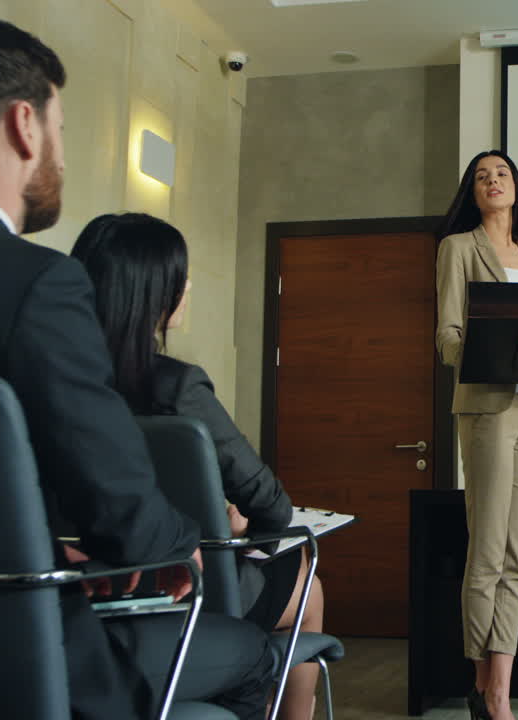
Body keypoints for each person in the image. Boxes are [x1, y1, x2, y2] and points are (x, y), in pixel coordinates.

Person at [0, 14, 276, 719]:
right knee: (252, 654)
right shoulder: (36, 282)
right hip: (21, 650)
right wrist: (181, 546)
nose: (62, 155)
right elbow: (123, 509)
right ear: (23, 125)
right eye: (62, 131)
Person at [70, 212, 325, 720]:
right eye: (178, 276)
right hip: (185, 580)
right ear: (155, 294)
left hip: (78, 587)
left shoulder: (53, 385)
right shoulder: (178, 388)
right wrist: (236, 528)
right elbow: (269, 502)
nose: (187, 287)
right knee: (307, 577)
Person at [435, 150, 518, 720]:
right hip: (487, 407)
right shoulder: (458, 249)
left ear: (516, 187)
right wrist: (486, 354)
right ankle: (482, 682)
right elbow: (448, 337)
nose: (492, 181)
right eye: (482, 176)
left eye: (501, 173)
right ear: (473, 192)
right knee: (486, 549)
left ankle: (500, 688)